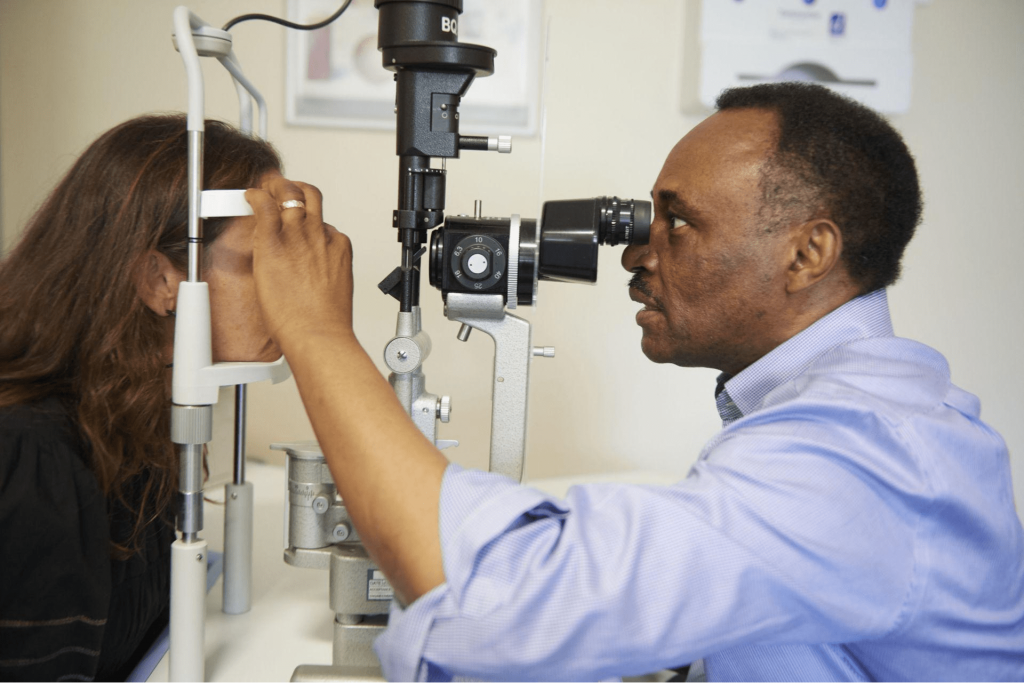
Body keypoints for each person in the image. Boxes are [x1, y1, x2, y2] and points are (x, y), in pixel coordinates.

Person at [248, 82, 1024, 682]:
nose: (634, 254)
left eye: (678, 222)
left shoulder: (866, 459)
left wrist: (316, 329)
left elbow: (500, 590)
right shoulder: (843, 416)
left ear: (807, 253)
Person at [0, 114, 282, 682]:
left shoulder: (134, 416)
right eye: (260, 264)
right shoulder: (35, 459)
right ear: (159, 280)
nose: (290, 290)